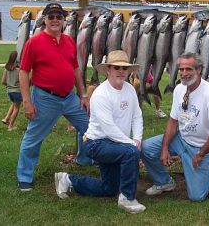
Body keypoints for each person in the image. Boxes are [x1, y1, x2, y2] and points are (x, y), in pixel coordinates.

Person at [54, 50, 146, 213]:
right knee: (131, 152)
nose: (121, 71)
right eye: (116, 67)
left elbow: (137, 116)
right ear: (108, 70)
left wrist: (137, 139)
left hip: (116, 144)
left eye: (124, 68)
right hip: (96, 144)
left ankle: (68, 180)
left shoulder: (130, 89)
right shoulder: (101, 94)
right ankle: (127, 198)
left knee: (109, 188)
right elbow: (109, 128)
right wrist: (133, 145)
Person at [16, 3, 91, 192]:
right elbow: (23, 72)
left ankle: (84, 159)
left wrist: (82, 94)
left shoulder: (69, 41)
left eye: (59, 16)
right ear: (45, 20)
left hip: (70, 98)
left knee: (91, 127)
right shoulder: (34, 42)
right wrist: (27, 102)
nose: (55, 19)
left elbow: (75, 69)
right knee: (33, 138)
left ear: (64, 20)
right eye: (51, 16)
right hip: (45, 98)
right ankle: (24, 176)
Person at [141, 52, 209, 202]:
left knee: (196, 196)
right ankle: (164, 182)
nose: (184, 73)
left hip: (201, 147)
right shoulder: (179, 89)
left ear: (199, 70)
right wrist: (165, 148)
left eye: (189, 69)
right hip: (181, 139)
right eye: (181, 69)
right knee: (146, 147)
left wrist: (200, 154)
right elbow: (173, 121)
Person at [1, 50, 22, 131]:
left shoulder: (6, 69)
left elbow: (3, 82)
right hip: (17, 91)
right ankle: (11, 126)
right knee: (17, 108)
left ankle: (6, 118)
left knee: (13, 104)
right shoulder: (18, 70)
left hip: (9, 91)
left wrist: (10, 85)